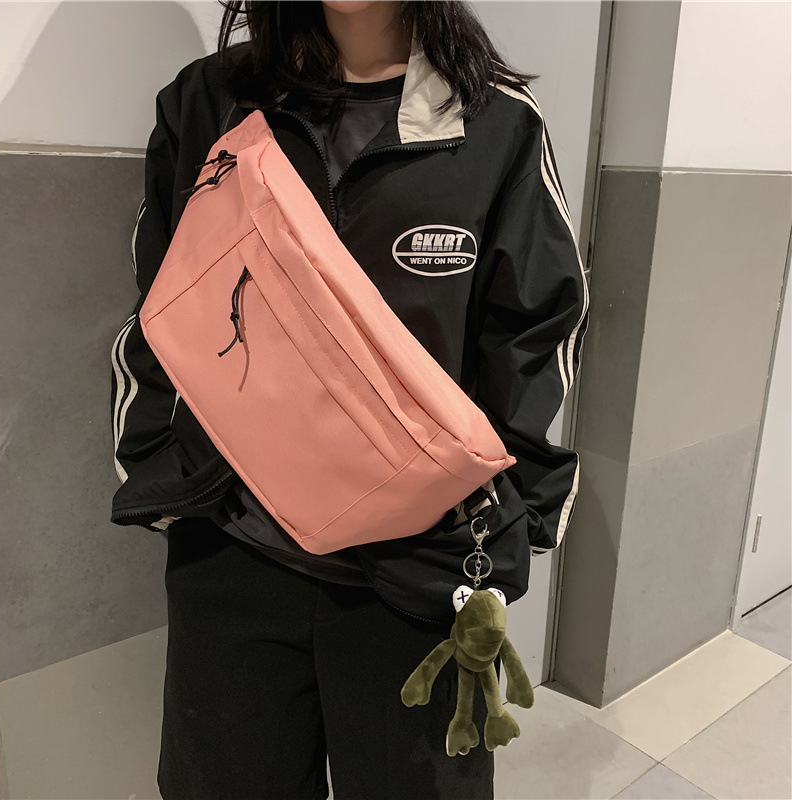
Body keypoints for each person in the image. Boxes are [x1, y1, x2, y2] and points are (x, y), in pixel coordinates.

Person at [109, 1, 590, 798]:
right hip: (235, 553)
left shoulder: (494, 122)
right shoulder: (209, 101)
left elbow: (534, 331)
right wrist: (166, 476)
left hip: (419, 568)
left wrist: (505, 525)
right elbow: (161, 303)